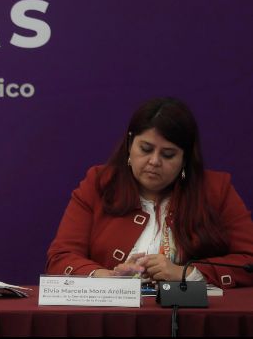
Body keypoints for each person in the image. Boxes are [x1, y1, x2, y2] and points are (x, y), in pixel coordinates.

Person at [46, 97, 253, 288]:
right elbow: (61, 258)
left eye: (168, 154)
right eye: (145, 149)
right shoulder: (99, 183)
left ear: (185, 159)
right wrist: (106, 278)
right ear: (129, 144)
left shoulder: (215, 189)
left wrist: (188, 273)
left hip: (192, 320)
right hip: (111, 317)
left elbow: (248, 260)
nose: (154, 161)